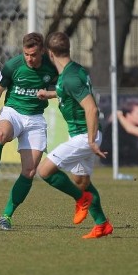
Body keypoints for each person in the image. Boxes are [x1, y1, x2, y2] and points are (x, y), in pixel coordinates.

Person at [0, 32, 58, 231]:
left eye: (33, 55)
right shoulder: (13, 66)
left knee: (30, 171)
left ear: (42, 51)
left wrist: (50, 94)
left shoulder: (52, 67)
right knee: (0, 134)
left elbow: (66, 88)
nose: (29, 58)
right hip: (13, 112)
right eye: (26, 54)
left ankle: (6, 216)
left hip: (35, 119)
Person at [37, 31, 113, 239]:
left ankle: (81, 199)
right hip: (81, 135)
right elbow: (71, 91)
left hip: (84, 136)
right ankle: (102, 225)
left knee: (44, 171)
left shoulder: (69, 78)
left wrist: (90, 141)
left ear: (50, 54)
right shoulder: (74, 71)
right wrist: (51, 94)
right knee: (81, 180)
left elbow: (91, 108)